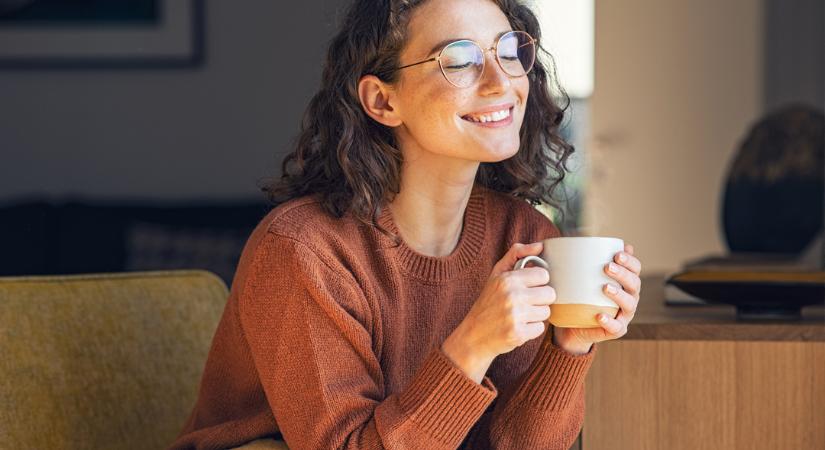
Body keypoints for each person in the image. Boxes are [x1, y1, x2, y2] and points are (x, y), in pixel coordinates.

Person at [170, 0, 643, 449]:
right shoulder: (303, 250)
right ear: (382, 101)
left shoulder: (525, 236)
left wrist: (568, 348)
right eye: (459, 61)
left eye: (509, 50)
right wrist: (471, 346)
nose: (502, 81)